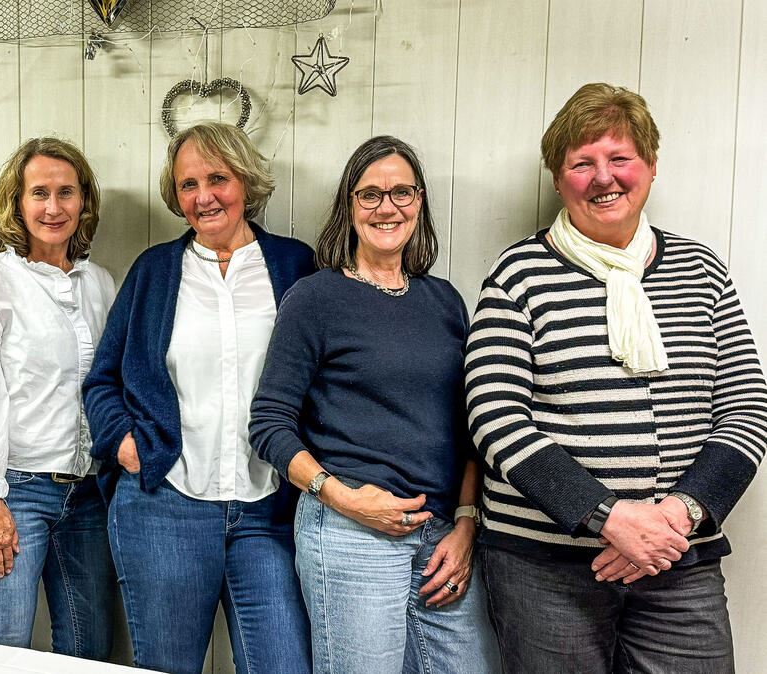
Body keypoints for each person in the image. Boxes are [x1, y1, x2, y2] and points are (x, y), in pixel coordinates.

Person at [466, 83, 767, 673]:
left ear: (650, 166)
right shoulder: (518, 273)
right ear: (559, 181)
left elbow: (746, 409)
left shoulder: (702, 271)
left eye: (619, 158)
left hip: (677, 559)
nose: (603, 177)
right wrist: (610, 518)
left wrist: (674, 518)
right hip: (544, 569)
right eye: (582, 163)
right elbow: (494, 417)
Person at [249, 136, 500, 673]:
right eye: (370, 195)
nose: (388, 207)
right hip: (350, 532)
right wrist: (343, 498)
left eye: (401, 192)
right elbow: (269, 424)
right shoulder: (316, 298)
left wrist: (465, 524)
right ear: (350, 206)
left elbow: (469, 428)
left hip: (441, 536)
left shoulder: (445, 300)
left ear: (420, 202)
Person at [83, 121, 314, 674]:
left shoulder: (295, 265)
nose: (204, 196)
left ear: (245, 182)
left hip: (270, 508)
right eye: (188, 184)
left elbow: (325, 376)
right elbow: (102, 380)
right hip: (167, 505)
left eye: (218, 179)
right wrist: (127, 445)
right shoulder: (155, 271)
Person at [0, 138, 117, 659]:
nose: (53, 207)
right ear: (16, 203)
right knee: (5, 649)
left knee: (89, 650)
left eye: (66, 192)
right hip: (12, 490)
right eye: (39, 193)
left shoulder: (100, 283)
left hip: (88, 493)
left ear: (84, 201)